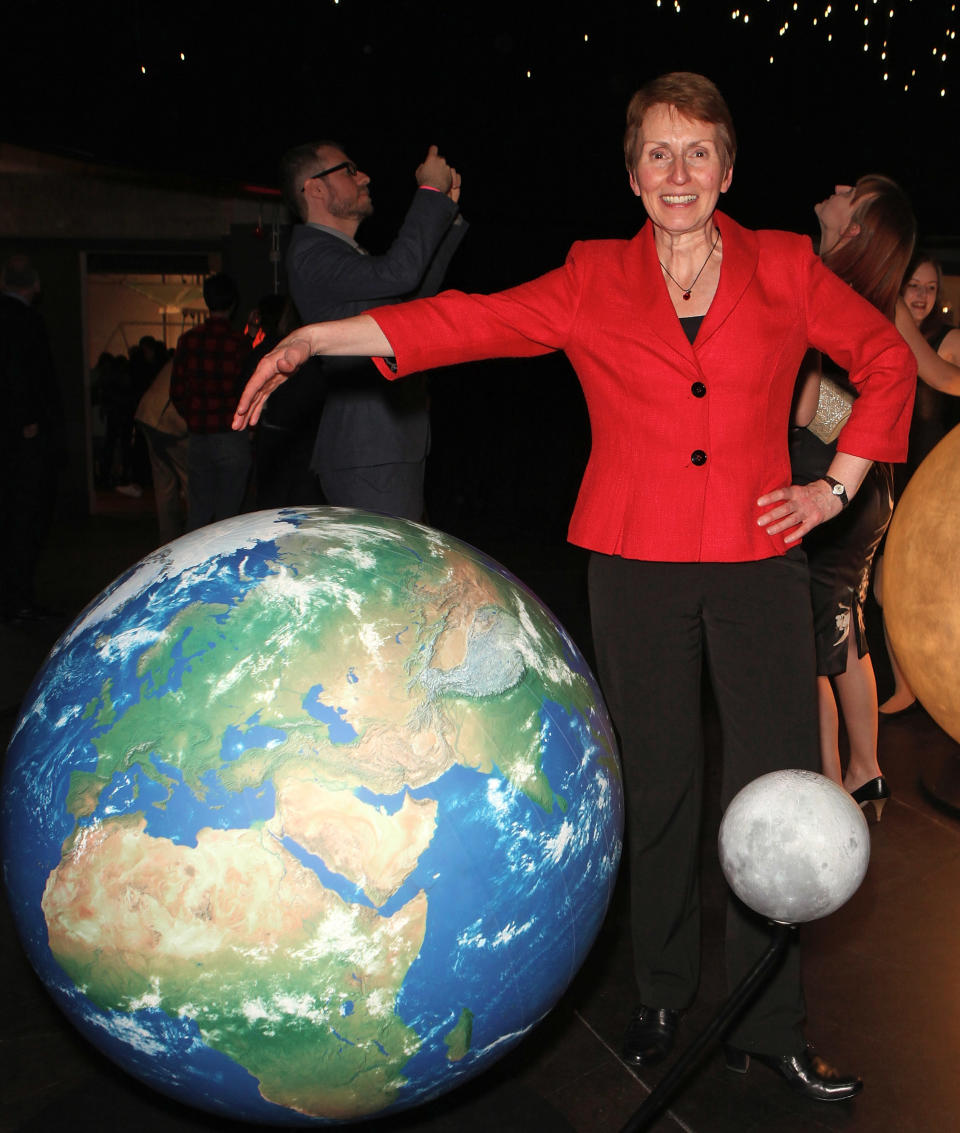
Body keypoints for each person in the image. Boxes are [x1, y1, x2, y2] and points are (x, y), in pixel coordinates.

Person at [234, 73, 916, 1101]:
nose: (677, 172)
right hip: (634, 563)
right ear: (631, 174)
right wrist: (312, 336)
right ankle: (659, 991)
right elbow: (466, 320)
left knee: (777, 794)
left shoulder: (781, 263)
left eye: (698, 153)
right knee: (660, 782)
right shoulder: (595, 275)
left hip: (759, 559)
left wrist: (835, 487)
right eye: (657, 152)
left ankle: (771, 1021)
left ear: (726, 171)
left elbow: (881, 358)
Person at [789, 178, 918, 820]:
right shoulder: (872, 299)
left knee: (812, 646)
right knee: (845, 632)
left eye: (852, 191)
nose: (836, 187)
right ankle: (865, 773)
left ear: (855, 228)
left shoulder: (822, 286)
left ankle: (832, 787)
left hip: (830, 490)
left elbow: (812, 403)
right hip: (866, 490)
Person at [279, 140, 467, 521]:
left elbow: (410, 303)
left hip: (383, 446)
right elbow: (400, 272)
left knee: (402, 571)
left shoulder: (343, 255)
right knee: (393, 575)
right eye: (348, 170)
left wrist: (447, 214)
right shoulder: (312, 253)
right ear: (315, 188)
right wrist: (429, 193)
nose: (364, 176)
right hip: (368, 448)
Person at [0, 254, 64, 621]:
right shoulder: (24, 321)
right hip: (24, 440)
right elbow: (24, 373)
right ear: (35, 285)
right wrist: (29, 420)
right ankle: (18, 597)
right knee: (25, 518)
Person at [170, 273, 252, 531]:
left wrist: (195, 416)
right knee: (229, 517)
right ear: (234, 304)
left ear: (207, 301)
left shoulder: (188, 341)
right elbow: (249, 392)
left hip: (199, 436)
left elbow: (177, 391)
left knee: (198, 513)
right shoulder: (240, 343)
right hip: (231, 434)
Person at [135, 355, 189, 545]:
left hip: (149, 415)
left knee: (164, 485)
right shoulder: (201, 352)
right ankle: (191, 541)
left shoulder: (183, 352)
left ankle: (168, 541)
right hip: (171, 421)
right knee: (191, 484)